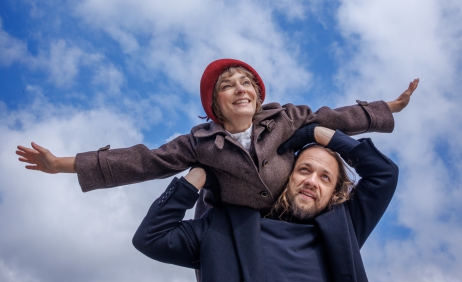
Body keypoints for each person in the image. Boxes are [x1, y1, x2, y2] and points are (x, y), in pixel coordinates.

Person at [132, 125, 398, 282]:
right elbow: (151, 237)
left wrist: (319, 133)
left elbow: (383, 174)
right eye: (304, 170)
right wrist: (199, 174)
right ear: (285, 175)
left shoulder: (343, 233)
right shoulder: (226, 230)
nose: (312, 181)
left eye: (325, 178)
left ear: (334, 192)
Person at [16, 58, 418, 216]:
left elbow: (336, 117)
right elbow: (140, 161)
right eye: (229, 85)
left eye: (248, 83)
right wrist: (59, 165)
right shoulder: (198, 144)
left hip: (296, 219)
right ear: (215, 104)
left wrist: (387, 108)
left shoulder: (287, 118)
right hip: (239, 232)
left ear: (258, 97)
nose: (241, 88)